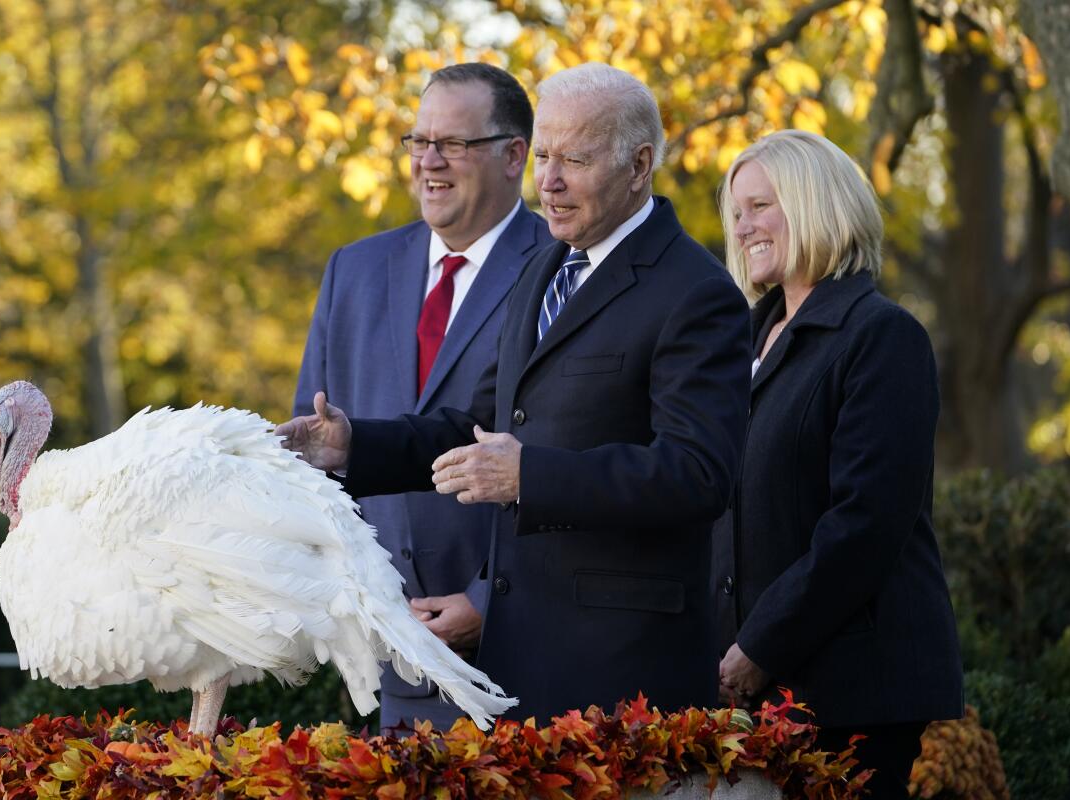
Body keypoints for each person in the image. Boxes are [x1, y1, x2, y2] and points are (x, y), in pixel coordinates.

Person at [279, 62, 751, 723]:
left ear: (639, 165)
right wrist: (355, 445)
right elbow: (474, 424)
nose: (549, 182)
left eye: (575, 161)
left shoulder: (696, 293)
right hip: (520, 673)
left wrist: (531, 474)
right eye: (546, 157)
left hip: (623, 682)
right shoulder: (547, 267)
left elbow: (699, 474)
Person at [293, 63, 553, 731]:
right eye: (419, 140)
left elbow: (573, 452)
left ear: (513, 156)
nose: (429, 161)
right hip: (391, 666)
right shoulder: (353, 269)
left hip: (533, 657)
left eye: (454, 144)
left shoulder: (562, 266)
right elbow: (312, 461)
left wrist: (487, 599)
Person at [712, 129, 963, 799]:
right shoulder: (742, 344)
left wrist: (761, 644)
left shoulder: (882, 337)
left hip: (851, 694)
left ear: (816, 204)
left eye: (761, 206)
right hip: (750, 689)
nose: (744, 227)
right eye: (737, 213)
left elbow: (865, 523)